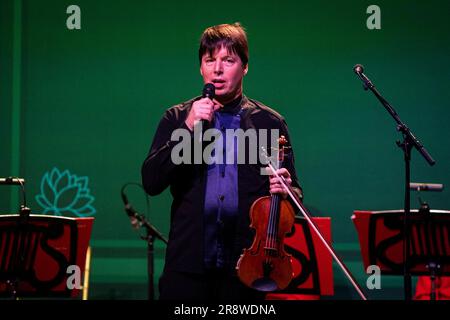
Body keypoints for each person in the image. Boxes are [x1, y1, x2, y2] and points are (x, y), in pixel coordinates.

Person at [141, 22, 302, 301]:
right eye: (209, 60)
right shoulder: (178, 118)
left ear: (245, 67)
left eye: (228, 60)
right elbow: (151, 182)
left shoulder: (268, 123)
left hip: (245, 268)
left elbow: (294, 197)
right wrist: (189, 128)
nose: (217, 69)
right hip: (187, 267)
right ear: (201, 68)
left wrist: (287, 191)